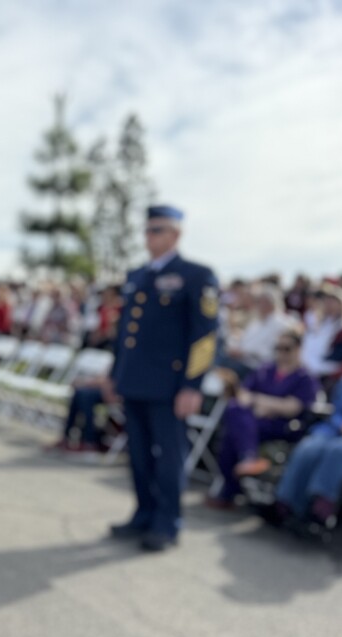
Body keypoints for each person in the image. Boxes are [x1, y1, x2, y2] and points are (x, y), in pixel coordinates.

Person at [107, 204, 219, 552]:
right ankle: (143, 512)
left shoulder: (197, 275)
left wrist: (192, 385)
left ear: (175, 234)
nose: (149, 236)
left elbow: (205, 337)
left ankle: (167, 522)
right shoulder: (137, 275)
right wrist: (114, 374)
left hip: (169, 387)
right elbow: (126, 332)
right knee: (138, 454)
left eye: (157, 230)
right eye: (147, 230)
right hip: (135, 380)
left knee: (168, 456)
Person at [208, 328, 319, 508]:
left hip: (282, 426)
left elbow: (293, 407)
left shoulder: (305, 377)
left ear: (298, 349)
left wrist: (261, 402)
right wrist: (257, 403)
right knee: (234, 414)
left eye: (286, 348)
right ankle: (244, 465)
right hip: (253, 421)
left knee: (234, 427)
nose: (281, 353)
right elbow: (243, 393)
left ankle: (234, 484)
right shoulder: (266, 369)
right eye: (278, 348)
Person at [246, 371, 342, 526]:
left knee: (338, 451)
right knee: (309, 448)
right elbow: (334, 411)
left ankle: (321, 509)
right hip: (335, 430)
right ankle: (285, 504)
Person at [218, 284, 295, 378]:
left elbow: (273, 352)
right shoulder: (257, 323)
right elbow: (244, 341)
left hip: (258, 366)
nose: (260, 305)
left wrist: (244, 352)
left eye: (263, 302)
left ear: (271, 303)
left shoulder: (281, 324)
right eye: (259, 302)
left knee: (221, 364)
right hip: (243, 359)